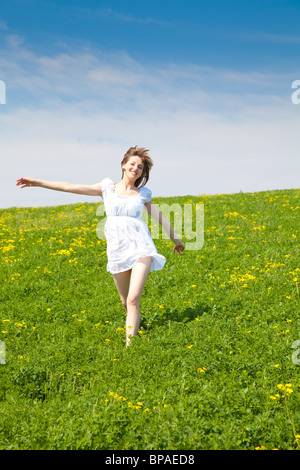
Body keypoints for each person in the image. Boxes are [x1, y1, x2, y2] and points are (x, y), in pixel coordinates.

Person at [16, 146, 185, 345]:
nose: (135, 169)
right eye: (132, 164)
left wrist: (177, 241)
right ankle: (138, 322)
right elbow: (70, 186)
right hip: (117, 250)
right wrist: (37, 182)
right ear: (123, 165)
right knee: (125, 302)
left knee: (132, 300)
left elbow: (160, 218)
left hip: (141, 248)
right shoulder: (107, 188)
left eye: (140, 167)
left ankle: (131, 349)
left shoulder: (143, 194)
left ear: (142, 172)